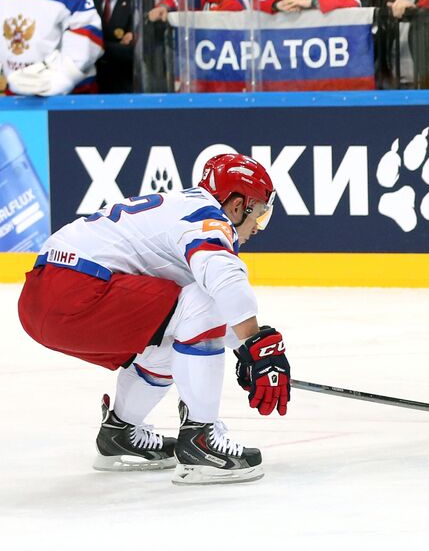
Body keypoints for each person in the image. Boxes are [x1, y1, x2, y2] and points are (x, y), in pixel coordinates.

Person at [16, 153, 290, 485]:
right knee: (202, 303)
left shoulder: (181, 207)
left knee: (171, 338)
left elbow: (198, 321)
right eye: (258, 214)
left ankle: (119, 433)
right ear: (236, 205)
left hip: (41, 297)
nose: (257, 228)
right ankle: (201, 443)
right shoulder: (209, 219)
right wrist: (257, 346)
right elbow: (223, 280)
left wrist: (244, 349)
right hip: (78, 292)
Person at [90, 0, 132, 94]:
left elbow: (133, 52)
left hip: (127, 87)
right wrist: (114, 46)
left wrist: (94, 43)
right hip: (93, 87)